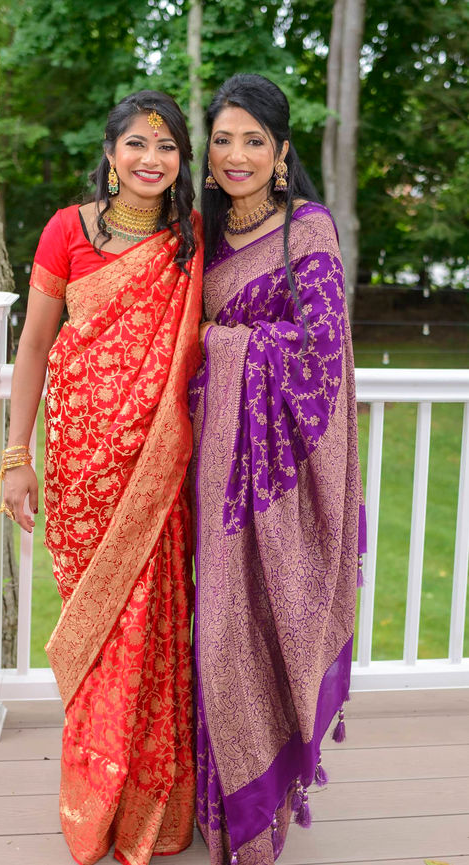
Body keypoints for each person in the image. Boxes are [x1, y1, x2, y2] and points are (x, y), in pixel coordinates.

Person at [0, 90, 203, 865]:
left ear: (181, 161)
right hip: (84, 469)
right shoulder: (67, 231)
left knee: (150, 637)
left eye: (168, 148)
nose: (152, 160)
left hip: (158, 475)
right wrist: (17, 459)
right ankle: (93, 804)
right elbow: (33, 351)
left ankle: (148, 809)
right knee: (97, 638)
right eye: (137, 145)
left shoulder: (189, 239)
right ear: (111, 153)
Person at [189, 73, 366, 865]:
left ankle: (261, 828)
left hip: (281, 483)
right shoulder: (203, 238)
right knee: (217, 642)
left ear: (282, 151)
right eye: (223, 139)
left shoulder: (311, 229)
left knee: (257, 638)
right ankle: (224, 813)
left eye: (253, 140)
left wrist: (228, 349)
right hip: (212, 471)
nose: (236, 154)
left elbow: (325, 357)